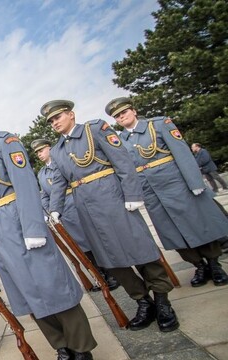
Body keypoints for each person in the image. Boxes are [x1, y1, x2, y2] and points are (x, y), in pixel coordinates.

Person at [0, 104, 97, 360]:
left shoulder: (4, 143)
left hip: (19, 225)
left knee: (53, 287)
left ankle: (81, 349)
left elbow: (26, 183)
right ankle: (61, 347)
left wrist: (33, 227)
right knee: (29, 295)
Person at [43, 99, 178, 334]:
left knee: (141, 250)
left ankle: (162, 300)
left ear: (71, 115)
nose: (55, 122)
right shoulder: (56, 150)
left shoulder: (94, 129)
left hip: (114, 199)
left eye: (58, 117)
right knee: (112, 260)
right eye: (51, 120)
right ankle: (142, 301)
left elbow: (123, 161)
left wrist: (133, 195)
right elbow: (58, 183)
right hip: (88, 210)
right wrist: (55, 209)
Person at [106, 97, 228, 287]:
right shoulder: (119, 141)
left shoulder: (159, 125)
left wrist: (195, 182)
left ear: (134, 111)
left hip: (176, 185)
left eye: (124, 112)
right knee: (172, 233)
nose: (121, 117)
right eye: (117, 116)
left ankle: (214, 264)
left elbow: (181, 152)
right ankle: (199, 266)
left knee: (200, 224)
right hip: (151, 193)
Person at [31, 138, 119, 292]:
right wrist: (50, 211)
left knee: (95, 240)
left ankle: (113, 274)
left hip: (78, 204)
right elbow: (45, 195)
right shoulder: (41, 174)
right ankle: (100, 275)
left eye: (42, 150)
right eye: (37, 152)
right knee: (82, 246)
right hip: (64, 213)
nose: (39, 154)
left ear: (50, 148)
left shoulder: (63, 162)